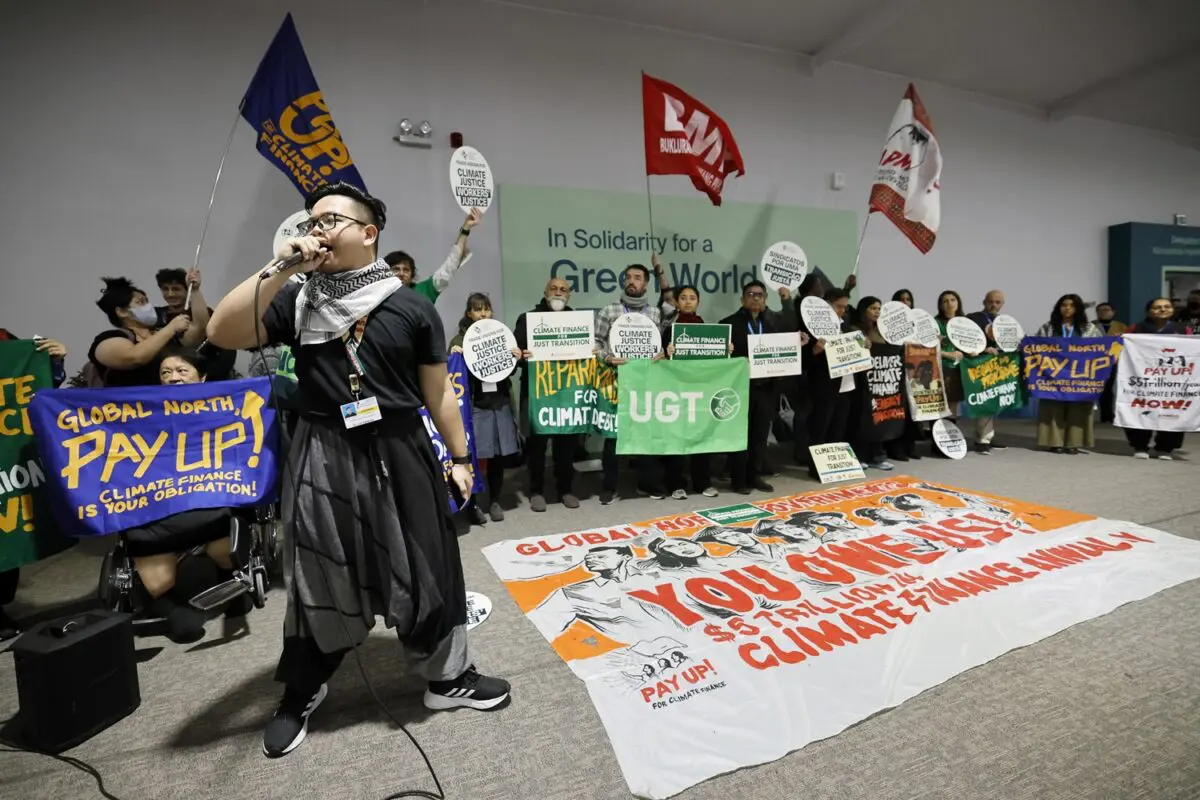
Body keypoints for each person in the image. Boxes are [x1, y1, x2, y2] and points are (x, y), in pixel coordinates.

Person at [206, 181, 509, 759]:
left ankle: (447, 679)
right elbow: (221, 331)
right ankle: (302, 689)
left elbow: (439, 393)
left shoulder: (412, 305)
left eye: (330, 220)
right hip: (323, 449)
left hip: (401, 447)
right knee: (321, 572)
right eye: (310, 221)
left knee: (428, 564)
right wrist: (281, 263)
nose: (314, 230)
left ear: (368, 233)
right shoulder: (296, 297)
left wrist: (462, 458)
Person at [119, 348, 250, 643]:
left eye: (182, 370)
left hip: (209, 498)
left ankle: (231, 584)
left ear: (201, 378)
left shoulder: (224, 409)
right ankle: (171, 609)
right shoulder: (142, 415)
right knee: (159, 581)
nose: (173, 377)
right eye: (166, 373)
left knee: (224, 548)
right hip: (157, 501)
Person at [0, 328, 67, 641]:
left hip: (7, 452)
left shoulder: (4, 338)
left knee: (8, 530)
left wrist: (52, 364)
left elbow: (27, 387)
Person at [596, 263, 666, 503]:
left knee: (646, 433)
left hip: (645, 381)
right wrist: (606, 357)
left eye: (637, 278)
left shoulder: (655, 314)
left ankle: (648, 483)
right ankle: (610, 487)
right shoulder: (610, 310)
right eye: (628, 277)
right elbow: (595, 342)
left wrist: (660, 353)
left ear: (645, 284)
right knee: (613, 437)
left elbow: (660, 343)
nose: (631, 281)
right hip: (616, 381)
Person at [449, 293, 522, 522]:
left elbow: (508, 371)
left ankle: (495, 500)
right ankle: (472, 505)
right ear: (469, 313)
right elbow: (454, 373)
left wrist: (515, 358)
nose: (483, 313)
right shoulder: (459, 341)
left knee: (497, 457)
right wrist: (454, 355)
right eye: (478, 309)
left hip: (498, 403)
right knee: (473, 459)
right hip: (476, 406)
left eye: (487, 309)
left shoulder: (501, 335)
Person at [720, 280, 797, 494]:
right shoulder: (728, 323)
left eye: (760, 295)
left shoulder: (771, 325)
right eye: (751, 294)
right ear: (742, 299)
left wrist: (796, 342)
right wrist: (726, 350)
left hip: (765, 388)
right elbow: (720, 358)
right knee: (739, 435)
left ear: (765, 300)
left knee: (760, 435)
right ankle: (738, 479)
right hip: (739, 388)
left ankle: (755, 475)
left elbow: (784, 349)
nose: (756, 298)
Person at [513, 278, 581, 512]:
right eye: (554, 288)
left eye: (564, 290)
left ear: (569, 295)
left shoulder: (578, 321)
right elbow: (516, 353)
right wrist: (522, 354)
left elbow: (585, 355)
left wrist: (590, 351)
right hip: (537, 392)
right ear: (545, 291)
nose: (558, 293)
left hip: (567, 392)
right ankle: (536, 490)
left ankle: (565, 489)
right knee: (537, 444)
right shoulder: (528, 319)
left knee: (566, 443)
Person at [90, 277, 204, 386]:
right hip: (127, 405)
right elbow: (134, 357)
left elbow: (200, 329)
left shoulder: (164, 334)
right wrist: (170, 328)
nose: (148, 307)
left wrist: (195, 290)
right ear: (122, 312)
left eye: (147, 301)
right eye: (141, 302)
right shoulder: (109, 339)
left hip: (169, 403)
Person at [661, 285, 719, 500]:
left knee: (701, 437)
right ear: (676, 302)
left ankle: (703, 482)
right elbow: (660, 360)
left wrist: (726, 350)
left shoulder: (707, 328)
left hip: (700, 391)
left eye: (692, 298)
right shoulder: (669, 328)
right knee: (677, 437)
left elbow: (714, 361)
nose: (687, 301)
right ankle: (676, 483)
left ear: (698, 302)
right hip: (677, 391)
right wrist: (667, 352)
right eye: (683, 298)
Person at [1122, 297, 1194, 460]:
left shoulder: (1183, 329)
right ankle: (1139, 445)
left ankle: (1165, 448)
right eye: (1157, 307)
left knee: (1172, 410)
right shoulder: (1135, 328)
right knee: (1140, 408)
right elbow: (1122, 346)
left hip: (1173, 380)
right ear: (1149, 311)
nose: (1163, 310)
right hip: (1142, 378)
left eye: (1167, 306)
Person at [1035, 293, 1102, 454]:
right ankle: (1054, 442)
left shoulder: (1090, 328)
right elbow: (1037, 347)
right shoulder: (1048, 327)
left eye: (1072, 305)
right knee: (1053, 405)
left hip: (1080, 375)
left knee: (1078, 407)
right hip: (1052, 374)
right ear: (1059, 308)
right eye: (1064, 305)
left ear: (1078, 308)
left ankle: (1074, 442)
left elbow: (1099, 349)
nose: (1067, 308)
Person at [804, 288, 855, 478]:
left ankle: (834, 467)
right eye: (839, 306)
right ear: (827, 305)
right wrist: (815, 351)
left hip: (846, 384)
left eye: (845, 307)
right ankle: (816, 468)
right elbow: (804, 362)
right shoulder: (813, 326)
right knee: (820, 427)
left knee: (838, 426)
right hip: (824, 385)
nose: (842, 311)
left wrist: (863, 346)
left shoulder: (847, 325)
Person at [384, 208, 483, 304]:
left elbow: (451, 263)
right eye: (396, 269)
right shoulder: (378, 295)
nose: (401, 273)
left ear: (412, 274)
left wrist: (466, 228)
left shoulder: (423, 291)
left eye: (406, 270)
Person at [964, 290, 1011, 454]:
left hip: (998, 368)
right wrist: (984, 349)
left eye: (998, 302)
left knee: (992, 403)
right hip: (979, 365)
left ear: (1002, 305)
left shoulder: (1005, 323)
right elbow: (966, 340)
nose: (994, 305)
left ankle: (987, 436)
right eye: (991, 301)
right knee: (983, 402)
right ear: (984, 302)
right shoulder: (973, 318)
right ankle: (982, 440)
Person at [852, 296, 895, 471]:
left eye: (879, 308)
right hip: (860, 383)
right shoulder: (854, 329)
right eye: (872, 308)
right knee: (861, 421)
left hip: (881, 383)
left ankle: (877, 456)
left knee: (880, 419)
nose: (877, 311)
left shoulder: (883, 330)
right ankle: (860, 456)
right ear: (863, 310)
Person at [934, 290, 967, 421]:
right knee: (939, 406)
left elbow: (973, 345)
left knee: (953, 406)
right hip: (940, 370)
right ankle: (937, 438)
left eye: (953, 300)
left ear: (958, 303)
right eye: (945, 301)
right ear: (941, 306)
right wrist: (946, 354)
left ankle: (951, 436)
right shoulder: (934, 323)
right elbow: (927, 348)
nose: (949, 303)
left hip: (959, 371)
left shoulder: (966, 323)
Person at [1093, 302, 1127, 424]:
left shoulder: (1121, 326)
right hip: (1094, 362)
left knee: (1108, 388)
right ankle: (1103, 414)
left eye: (1107, 309)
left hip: (1113, 361)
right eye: (1100, 310)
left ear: (1113, 312)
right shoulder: (1090, 326)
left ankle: (1108, 415)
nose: (1104, 312)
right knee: (1099, 388)